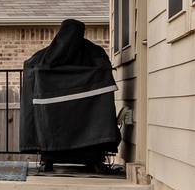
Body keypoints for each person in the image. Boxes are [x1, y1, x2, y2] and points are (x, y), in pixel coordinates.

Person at [19, 18, 123, 174]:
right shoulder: (95, 53)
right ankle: (90, 157)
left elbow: (32, 67)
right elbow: (102, 70)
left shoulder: (44, 57)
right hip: (86, 121)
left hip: (54, 125)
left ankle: (52, 158)